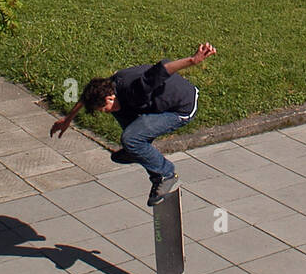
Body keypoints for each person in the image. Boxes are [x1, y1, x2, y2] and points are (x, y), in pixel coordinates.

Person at [50, 44, 216, 206]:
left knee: (130, 138)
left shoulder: (134, 89)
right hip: (156, 104)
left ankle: (166, 175)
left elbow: (164, 68)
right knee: (122, 117)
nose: (104, 112)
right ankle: (136, 149)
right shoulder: (109, 86)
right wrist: (67, 119)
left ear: (109, 98)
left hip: (180, 108)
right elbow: (87, 97)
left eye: (103, 108)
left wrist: (193, 60)